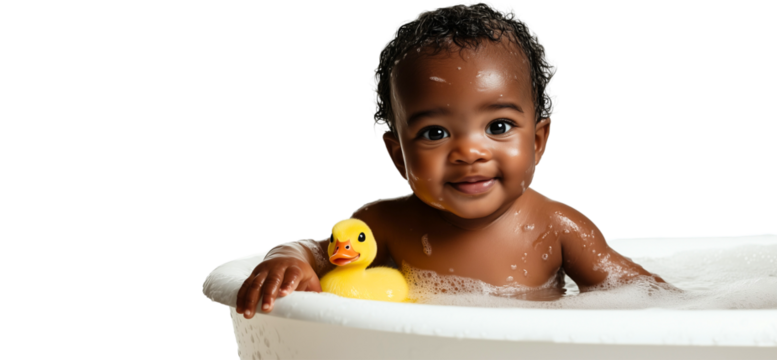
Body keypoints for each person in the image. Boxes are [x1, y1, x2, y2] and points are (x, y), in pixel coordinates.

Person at [235, 0, 672, 319]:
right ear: (398, 156)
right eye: (435, 133)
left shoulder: (558, 228)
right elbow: (316, 250)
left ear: (538, 141)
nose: (469, 151)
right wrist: (288, 260)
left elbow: (650, 296)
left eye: (498, 126)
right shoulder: (384, 225)